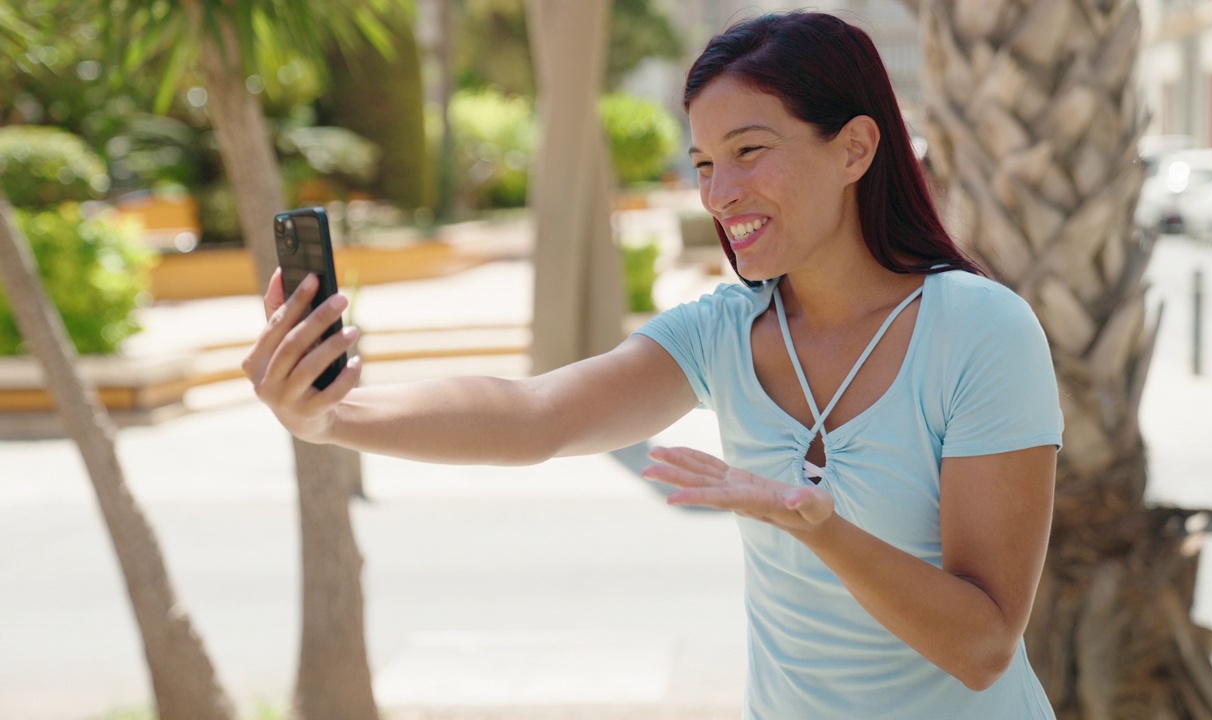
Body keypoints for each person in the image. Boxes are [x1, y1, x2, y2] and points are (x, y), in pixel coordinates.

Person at [243, 11, 1062, 719]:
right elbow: (537, 416)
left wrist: (821, 530)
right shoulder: (722, 332)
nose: (718, 193)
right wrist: (332, 417)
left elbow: (983, 645)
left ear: (854, 149)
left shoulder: (979, 331)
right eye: (705, 163)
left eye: (749, 151)